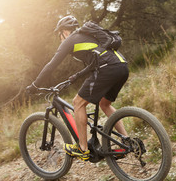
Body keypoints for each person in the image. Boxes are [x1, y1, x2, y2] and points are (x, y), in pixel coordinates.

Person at [26, 15, 129, 161]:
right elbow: (93, 63)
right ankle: (126, 140)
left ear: (64, 32)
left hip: (107, 68)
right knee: (104, 104)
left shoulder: (70, 40)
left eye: (59, 34)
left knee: (78, 103)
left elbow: (51, 66)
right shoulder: (87, 36)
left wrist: (35, 85)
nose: (60, 38)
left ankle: (82, 148)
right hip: (122, 66)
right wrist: (76, 76)